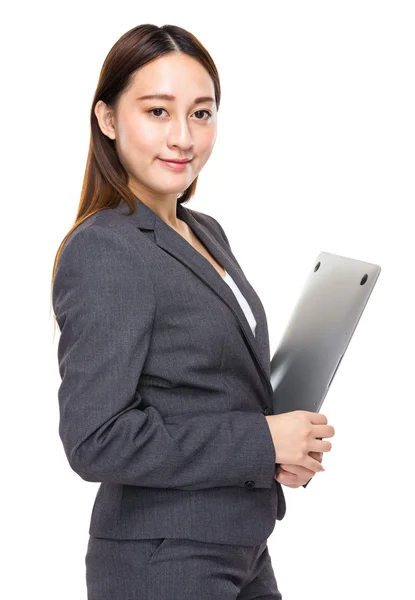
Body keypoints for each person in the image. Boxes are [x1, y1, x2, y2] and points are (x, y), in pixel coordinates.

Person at [51, 23, 335, 600]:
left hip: (241, 545)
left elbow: (209, 391)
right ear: (107, 119)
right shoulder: (106, 248)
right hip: (164, 559)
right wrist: (262, 441)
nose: (183, 136)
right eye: (157, 111)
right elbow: (96, 439)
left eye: (201, 114)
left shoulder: (203, 230)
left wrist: (281, 450)